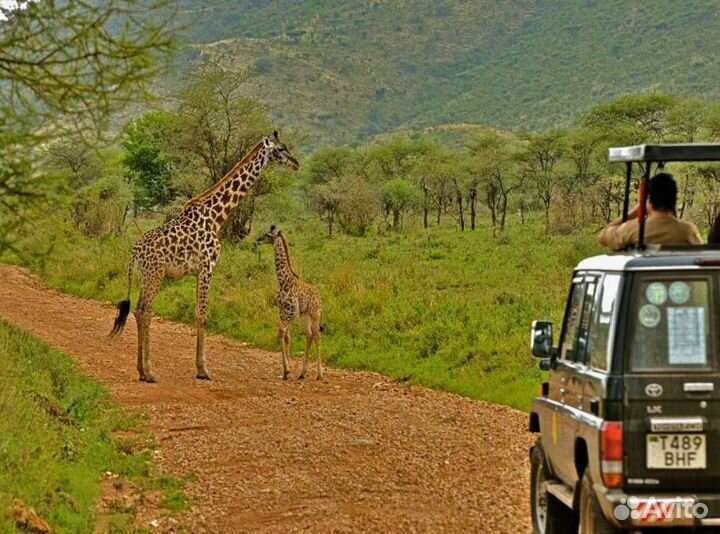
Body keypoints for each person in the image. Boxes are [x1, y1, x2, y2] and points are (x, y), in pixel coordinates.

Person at [598, 172, 702, 250]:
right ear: (674, 200)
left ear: (649, 200)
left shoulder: (633, 229)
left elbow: (603, 238)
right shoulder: (687, 231)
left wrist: (634, 212)